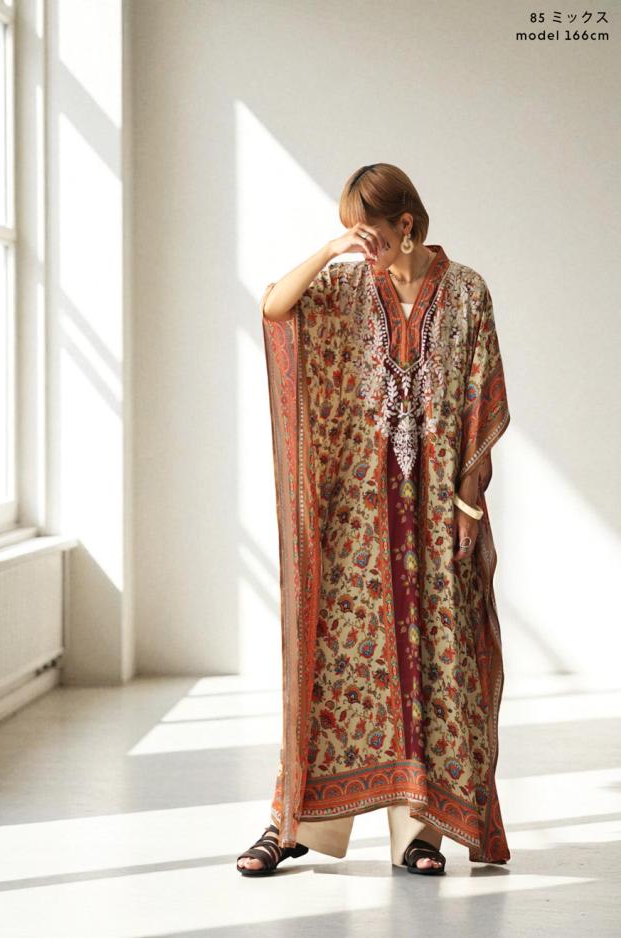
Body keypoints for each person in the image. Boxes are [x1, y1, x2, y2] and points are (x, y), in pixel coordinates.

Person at [237, 163, 511, 877]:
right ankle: (292, 823)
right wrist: (332, 249)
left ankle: (421, 834)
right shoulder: (351, 284)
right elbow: (275, 308)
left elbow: (482, 402)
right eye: (350, 234)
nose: (362, 244)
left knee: (437, 662)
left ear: (406, 225)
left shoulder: (467, 293)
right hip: (358, 514)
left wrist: (468, 504)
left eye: (368, 232)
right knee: (336, 662)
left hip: (436, 514)